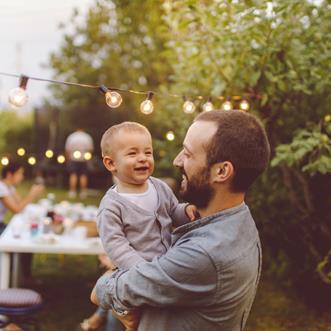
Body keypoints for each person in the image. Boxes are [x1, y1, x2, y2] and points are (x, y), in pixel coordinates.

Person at [91, 110, 271, 331]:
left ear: (222, 171)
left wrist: (108, 283)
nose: (177, 161)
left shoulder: (204, 254)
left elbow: (100, 291)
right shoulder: (240, 219)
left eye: (187, 153)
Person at [94, 121, 196, 331]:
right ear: (111, 163)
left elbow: (173, 212)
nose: (143, 158)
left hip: (164, 268)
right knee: (128, 319)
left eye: (147, 152)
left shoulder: (159, 187)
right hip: (135, 274)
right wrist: (142, 271)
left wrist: (186, 212)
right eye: (132, 154)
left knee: (155, 318)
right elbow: (115, 245)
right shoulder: (112, 205)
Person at [0, 161, 44, 234]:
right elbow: (16, 210)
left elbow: (21, 204)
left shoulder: (10, 187)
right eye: (19, 173)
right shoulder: (1, 187)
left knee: (24, 230)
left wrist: (34, 195)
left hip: (1, 224)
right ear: (9, 174)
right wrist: (32, 194)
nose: (22, 176)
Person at [65, 129, 94, 199]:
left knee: (73, 174)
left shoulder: (72, 136)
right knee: (83, 175)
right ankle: (83, 192)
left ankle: (72, 192)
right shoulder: (87, 137)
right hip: (84, 159)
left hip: (73, 158)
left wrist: (67, 159)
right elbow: (90, 149)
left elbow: (67, 149)